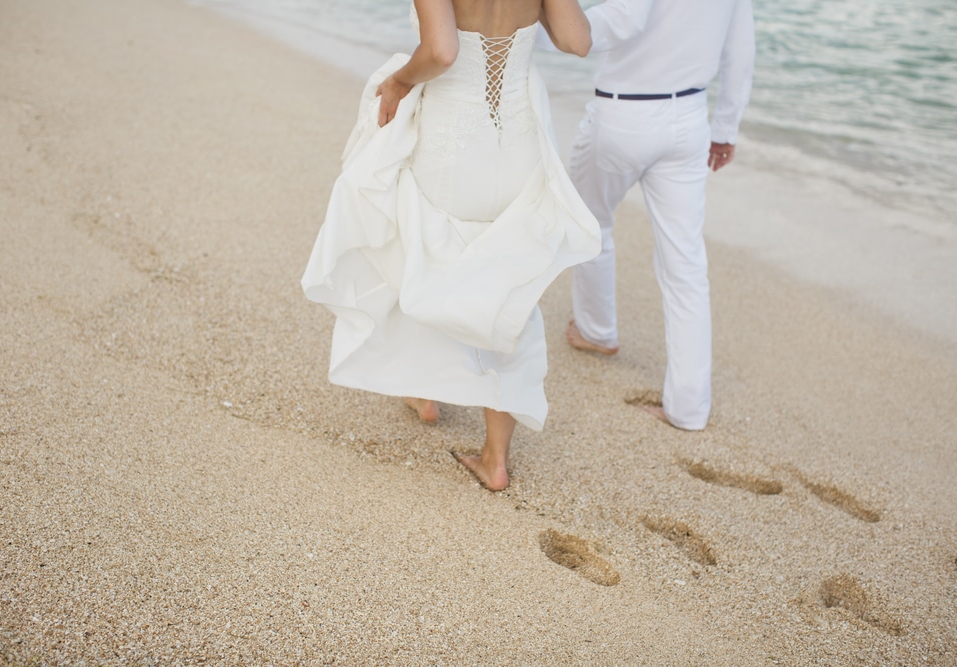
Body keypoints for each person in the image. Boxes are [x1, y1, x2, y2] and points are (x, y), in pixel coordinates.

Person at [302, 0, 600, 490]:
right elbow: (578, 41)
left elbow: (441, 52)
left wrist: (399, 81)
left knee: (422, 250)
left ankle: (423, 392)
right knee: (505, 278)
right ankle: (495, 458)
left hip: (453, 143)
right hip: (518, 140)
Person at [558, 0, 755, 430]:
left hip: (623, 114)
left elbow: (625, 17)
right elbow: (740, 50)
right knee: (685, 265)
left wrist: (554, 23)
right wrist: (726, 128)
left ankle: (596, 331)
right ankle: (688, 409)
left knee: (590, 223)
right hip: (689, 118)